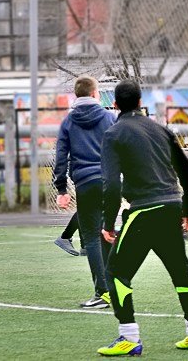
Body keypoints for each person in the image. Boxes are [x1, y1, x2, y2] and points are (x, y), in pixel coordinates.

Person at [97, 80, 188, 356]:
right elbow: (187, 171)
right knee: (181, 271)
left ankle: (129, 338)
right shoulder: (161, 129)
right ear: (139, 101)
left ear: (116, 105)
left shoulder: (114, 133)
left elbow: (110, 184)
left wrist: (108, 224)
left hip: (144, 211)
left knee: (116, 274)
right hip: (171, 208)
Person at [53, 75, 116, 308]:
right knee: (106, 231)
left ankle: (103, 292)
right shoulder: (110, 117)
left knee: (91, 237)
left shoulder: (68, 122)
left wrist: (61, 188)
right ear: (94, 93)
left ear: (76, 95)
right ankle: (113, 286)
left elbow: (61, 157)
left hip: (85, 182)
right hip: (110, 182)